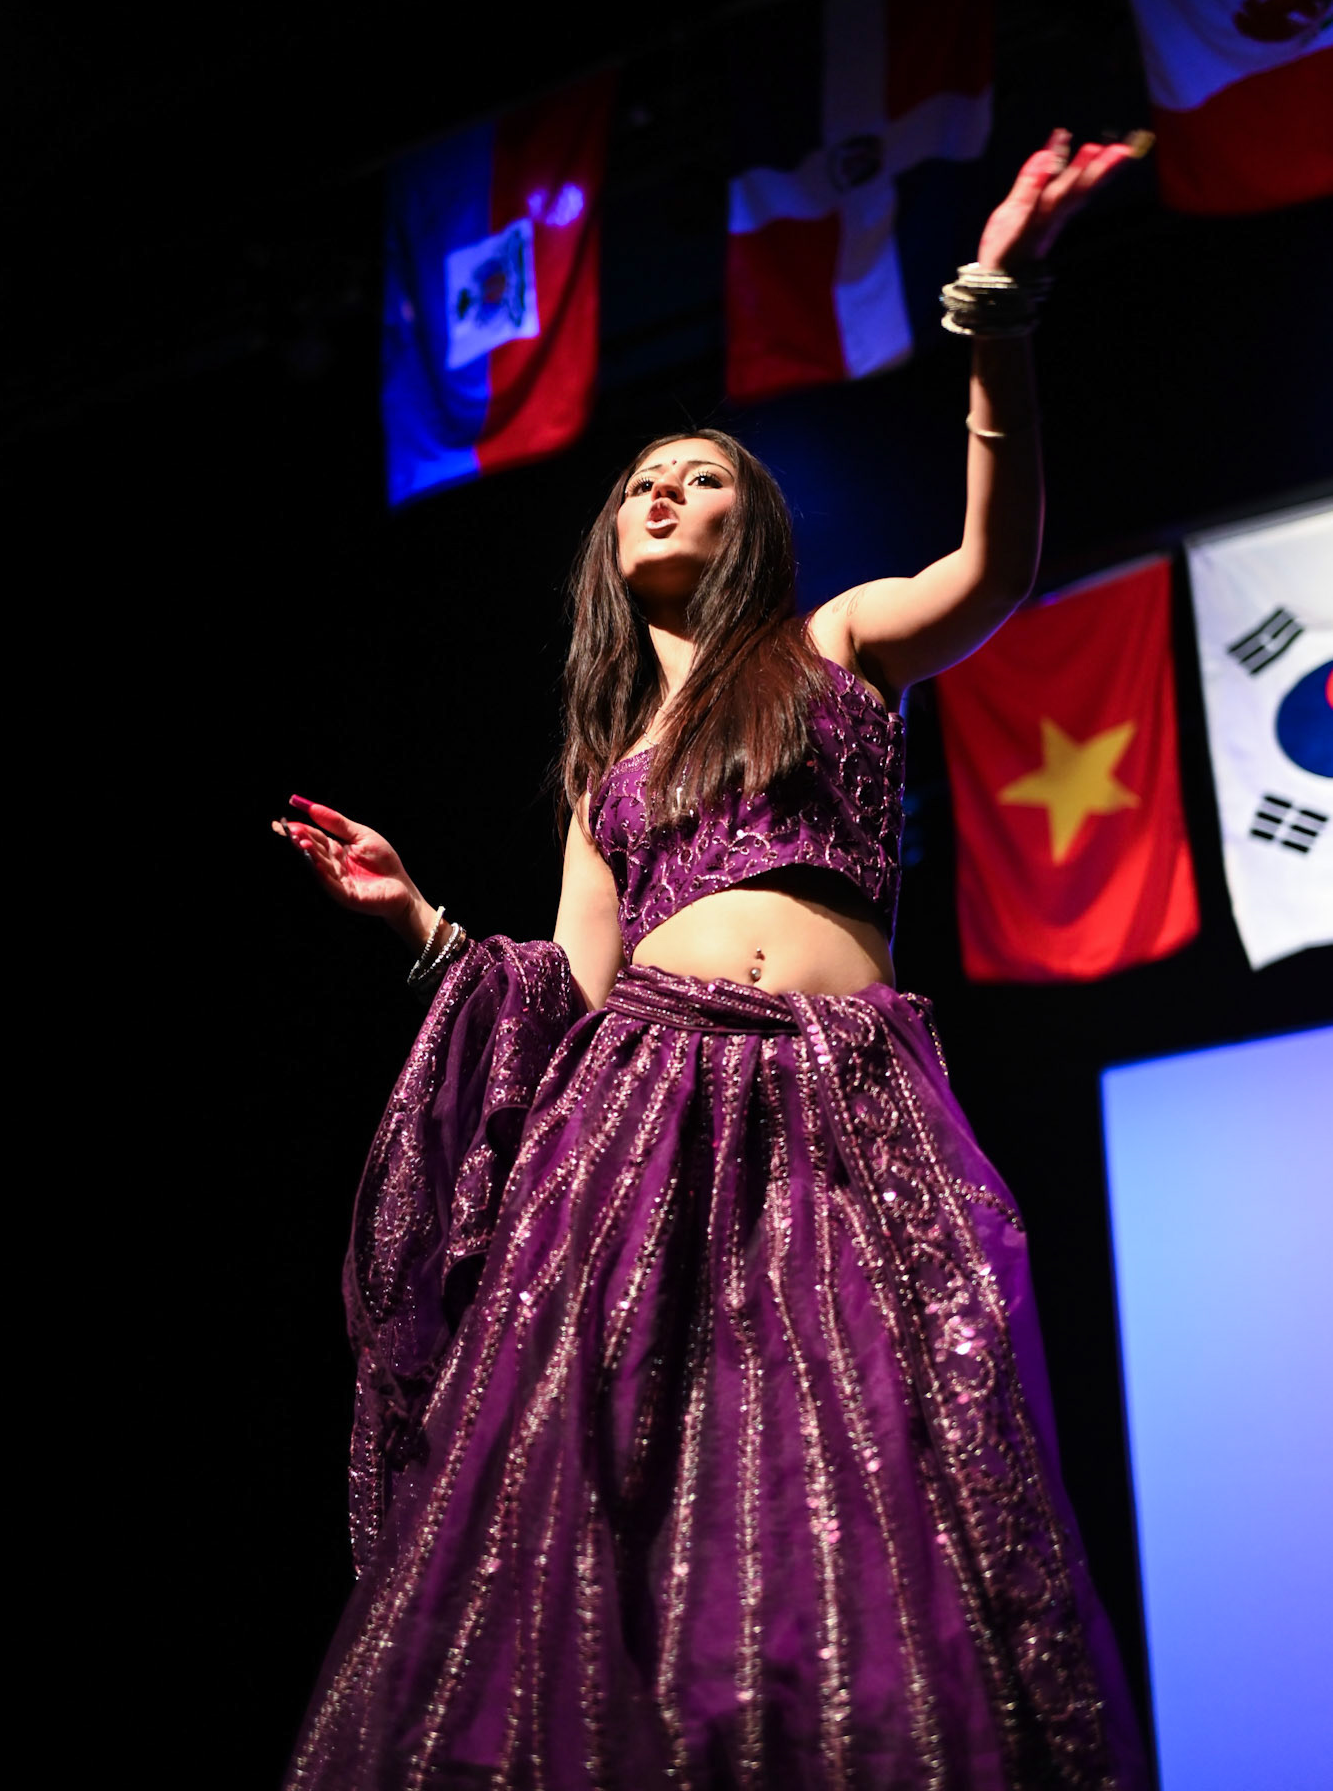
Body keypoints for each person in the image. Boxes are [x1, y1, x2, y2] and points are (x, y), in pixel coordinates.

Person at [274, 132, 1149, 1789]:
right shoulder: (604, 778)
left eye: (700, 479)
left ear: (755, 528)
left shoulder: (831, 645)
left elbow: (991, 566)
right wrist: (423, 927)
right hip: (641, 1115)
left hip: (833, 1104)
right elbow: (575, 995)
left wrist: (996, 314)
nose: (661, 493)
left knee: (886, 1443)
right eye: (639, 486)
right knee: (606, 1467)